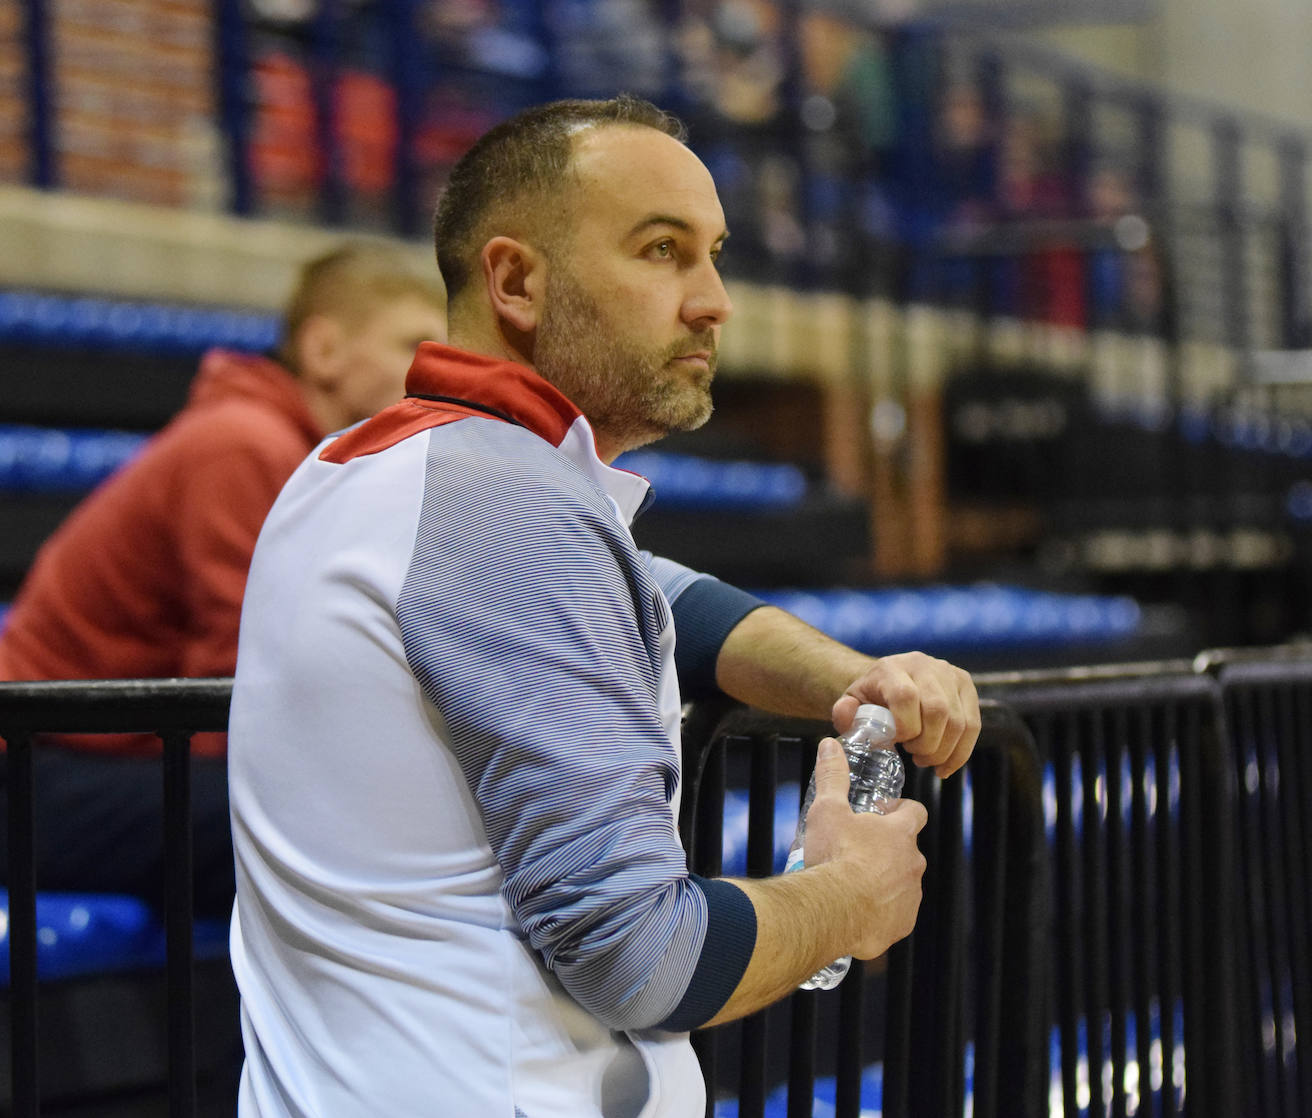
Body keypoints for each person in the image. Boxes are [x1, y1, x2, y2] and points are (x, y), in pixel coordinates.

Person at [228, 95, 981, 1117]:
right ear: (516, 280)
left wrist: (856, 680)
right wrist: (850, 897)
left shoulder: (369, 469)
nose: (713, 300)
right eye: (662, 252)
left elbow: (664, 599)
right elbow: (639, 958)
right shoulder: (507, 505)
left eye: (714, 254)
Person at [0, 242, 448, 916]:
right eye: (412, 343)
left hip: (95, 763)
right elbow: (245, 691)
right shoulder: (244, 445)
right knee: (332, 825)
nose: (436, 372)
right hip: (36, 771)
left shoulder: (301, 458)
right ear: (324, 350)